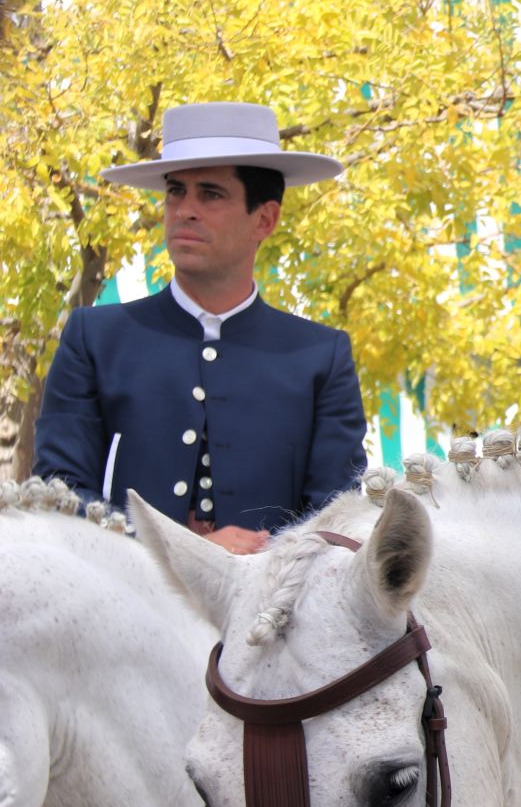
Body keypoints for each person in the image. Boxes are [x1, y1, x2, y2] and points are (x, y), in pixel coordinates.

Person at [35, 102, 365, 554]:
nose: (184, 210)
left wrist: (250, 567)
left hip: (270, 612)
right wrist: (185, 549)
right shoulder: (96, 338)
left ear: (264, 219)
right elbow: (58, 494)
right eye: (175, 192)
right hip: (124, 607)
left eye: (210, 194)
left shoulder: (319, 356)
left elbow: (338, 524)